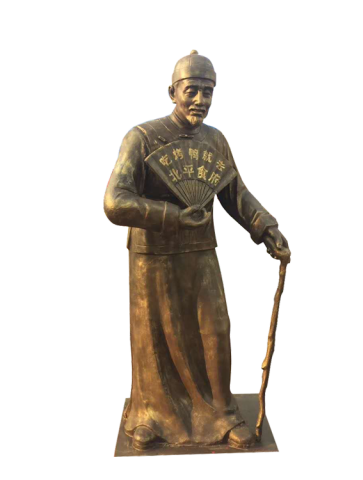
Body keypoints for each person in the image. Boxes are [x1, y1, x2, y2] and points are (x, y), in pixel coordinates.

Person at [104, 50, 290, 450]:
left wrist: (266, 228)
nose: (200, 100)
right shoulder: (142, 137)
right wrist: (171, 215)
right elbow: (115, 202)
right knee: (155, 337)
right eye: (192, 90)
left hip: (200, 249)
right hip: (152, 255)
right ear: (172, 92)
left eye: (208, 91)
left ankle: (221, 414)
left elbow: (235, 193)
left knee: (213, 331)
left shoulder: (214, 140)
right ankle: (150, 414)